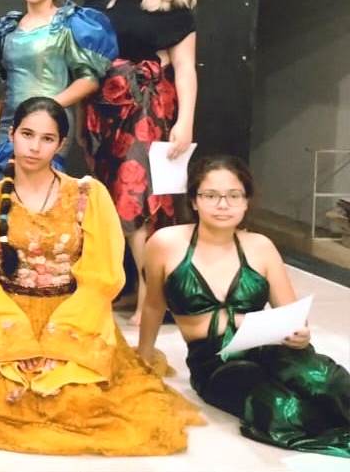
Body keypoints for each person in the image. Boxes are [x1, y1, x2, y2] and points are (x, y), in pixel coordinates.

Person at [0, 97, 202, 455]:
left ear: (60, 144)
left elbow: (102, 276)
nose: (34, 147)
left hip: (75, 313)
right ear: (11, 135)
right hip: (1, 314)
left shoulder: (87, 195)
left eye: (47, 138)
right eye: (27, 134)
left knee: (78, 396)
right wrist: (15, 340)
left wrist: (61, 342)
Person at [138, 155, 350, 458]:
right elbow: (153, 306)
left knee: (329, 382)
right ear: (194, 201)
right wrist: (143, 358)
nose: (223, 205)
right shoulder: (165, 243)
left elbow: (292, 318)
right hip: (215, 363)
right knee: (279, 405)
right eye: (211, 195)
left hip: (269, 346)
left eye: (234, 195)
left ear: (246, 201)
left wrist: (301, 335)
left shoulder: (261, 246)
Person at [82, 0, 199, 324]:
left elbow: (185, 68)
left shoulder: (174, 5)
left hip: (148, 109)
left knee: (139, 198)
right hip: (104, 110)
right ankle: (133, 285)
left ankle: (153, 294)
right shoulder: (96, 1)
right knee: (109, 201)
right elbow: (86, 63)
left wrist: (185, 121)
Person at [0, 0, 117, 177]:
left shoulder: (67, 24)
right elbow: (7, 80)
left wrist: (48, 107)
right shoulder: (8, 27)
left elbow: (89, 80)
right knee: (5, 188)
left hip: (50, 121)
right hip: (11, 123)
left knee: (42, 186)